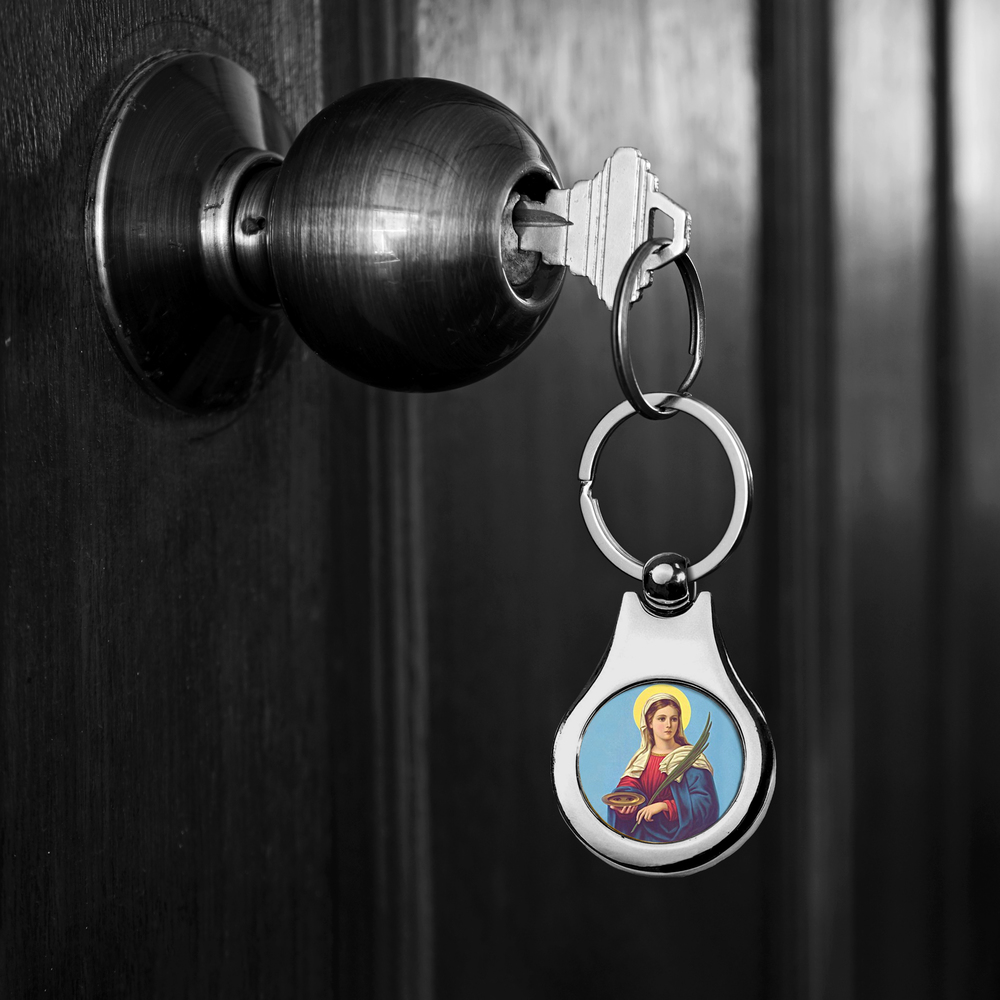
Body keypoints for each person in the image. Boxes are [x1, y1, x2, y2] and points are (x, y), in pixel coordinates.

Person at [607, 694, 719, 843]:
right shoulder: (641, 760)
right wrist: (625, 807)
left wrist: (665, 806)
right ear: (649, 722)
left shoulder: (690, 758)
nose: (669, 725)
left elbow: (705, 803)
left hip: (682, 836)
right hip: (642, 836)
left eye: (674, 719)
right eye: (661, 719)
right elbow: (628, 788)